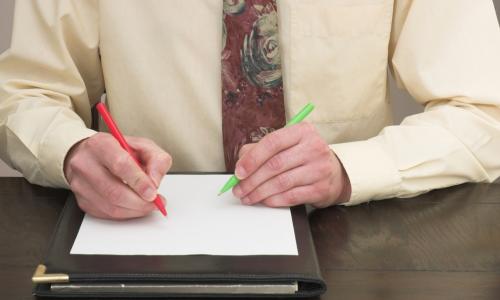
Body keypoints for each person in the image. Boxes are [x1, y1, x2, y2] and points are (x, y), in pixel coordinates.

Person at [0, 0, 499, 220]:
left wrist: (349, 170)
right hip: (148, 234)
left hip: (350, 246)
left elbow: (485, 113)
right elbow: (24, 92)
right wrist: (72, 150)